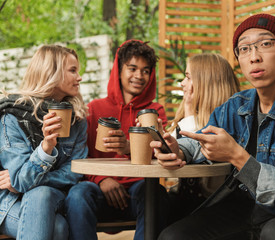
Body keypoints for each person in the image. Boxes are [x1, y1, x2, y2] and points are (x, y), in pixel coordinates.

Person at [152, 14, 275, 240]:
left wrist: (238, 157)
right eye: (244, 49)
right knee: (174, 236)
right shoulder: (237, 106)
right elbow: (203, 137)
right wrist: (178, 150)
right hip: (248, 210)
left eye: (265, 44)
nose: (254, 57)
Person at [64, 39, 169, 240]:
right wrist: (101, 179)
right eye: (132, 68)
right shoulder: (94, 109)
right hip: (97, 192)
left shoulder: (155, 112)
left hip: (139, 193)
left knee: (156, 194)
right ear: (118, 70)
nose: (139, 76)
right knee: (78, 194)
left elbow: (163, 155)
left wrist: (130, 147)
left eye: (146, 70)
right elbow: (79, 155)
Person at [0, 45, 88, 240]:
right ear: (51, 73)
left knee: (40, 193)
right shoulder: (13, 116)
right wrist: (47, 147)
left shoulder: (78, 119)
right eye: (72, 70)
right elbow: (19, 180)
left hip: (54, 198)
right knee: (57, 229)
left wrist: (32, 182)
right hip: (10, 203)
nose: (79, 77)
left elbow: (74, 172)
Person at [166, 53, 240, 223]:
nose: (183, 83)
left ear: (205, 85)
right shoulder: (190, 119)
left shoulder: (223, 127)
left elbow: (190, 142)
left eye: (188, 78)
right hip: (188, 201)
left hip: (210, 207)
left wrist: (189, 111)